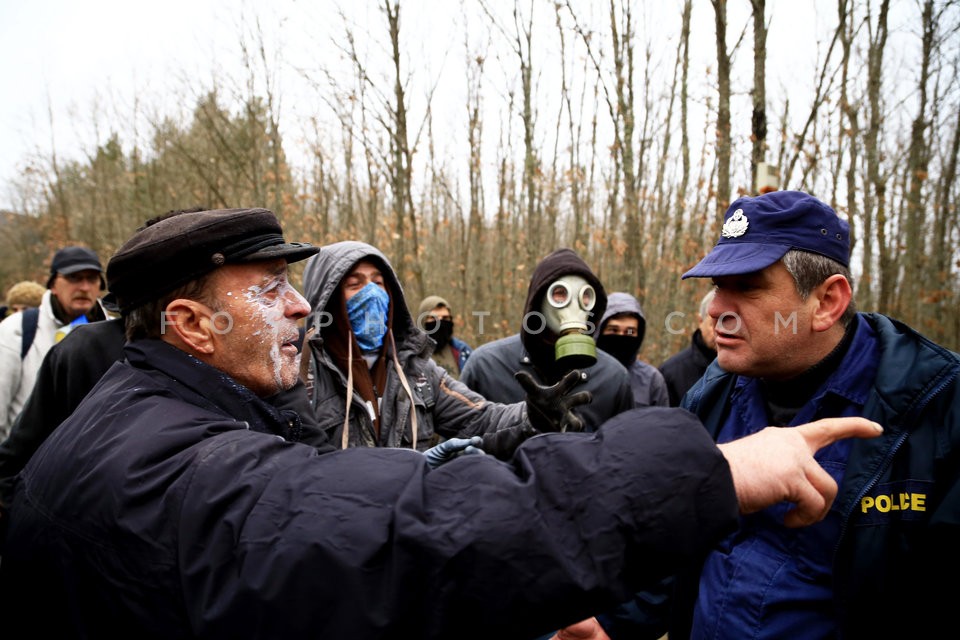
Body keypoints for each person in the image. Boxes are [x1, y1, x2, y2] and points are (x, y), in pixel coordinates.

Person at [0, 205, 882, 639]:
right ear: (191, 326)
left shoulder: (142, 416)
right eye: (272, 291)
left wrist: (550, 408)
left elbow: (488, 431)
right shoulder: (192, 459)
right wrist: (708, 472)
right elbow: (408, 534)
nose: (302, 310)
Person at [670, 190, 960, 638]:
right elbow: (674, 550)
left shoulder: (938, 407)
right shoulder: (710, 394)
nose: (716, 310)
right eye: (717, 286)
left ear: (826, 303)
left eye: (746, 286)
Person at [300, 241, 569, 454]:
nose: (372, 293)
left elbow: (481, 419)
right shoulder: (301, 375)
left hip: (410, 516)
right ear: (328, 298)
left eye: (379, 283)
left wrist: (533, 414)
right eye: (354, 284)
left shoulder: (418, 371)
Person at [461, 247, 634, 430]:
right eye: (561, 293)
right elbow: (458, 446)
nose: (574, 305)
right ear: (538, 300)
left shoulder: (614, 378)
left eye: (585, 295)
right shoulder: (486, 367)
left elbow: (624, 450)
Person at [0, 246, 109, 439]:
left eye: (91, 279)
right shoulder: (17, 329)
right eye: (74, 278)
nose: (84, 287)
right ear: (52, 284)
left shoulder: (118, 332)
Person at [596, 292, 669, 407]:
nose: (621, 336)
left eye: (630, 331)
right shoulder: (586, 373)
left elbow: (661, 422)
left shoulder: (652, 380)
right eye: (613, 330)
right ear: (600, 331)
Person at [658, 289, 717, 407]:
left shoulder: (747, 369)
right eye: (714, 324)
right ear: (700, 321)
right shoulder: (671, 372)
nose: (722, 331)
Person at [416, 294, 473, 379]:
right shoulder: (412, 354)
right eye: (433, 318)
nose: (440, 322)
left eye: (445, 318)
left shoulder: (462, 351)